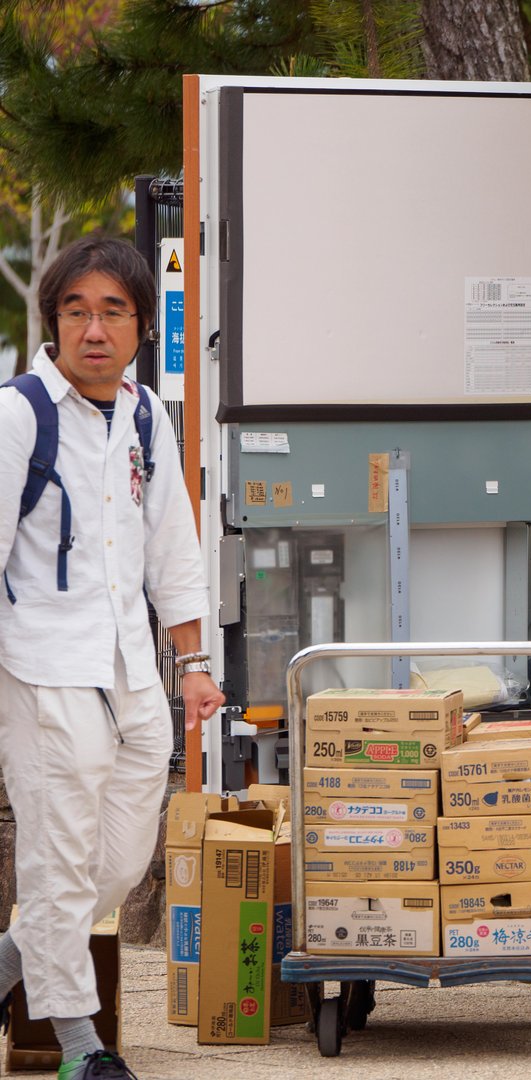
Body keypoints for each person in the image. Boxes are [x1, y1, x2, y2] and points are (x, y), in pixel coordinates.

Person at [0, 237, 225, 1080]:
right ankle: (79, 1051)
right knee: (56, 861)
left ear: (139, 327)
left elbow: (172, 543)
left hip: (132, 671)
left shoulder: (141, 415)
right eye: (76, 311)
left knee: (123, 861)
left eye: (113, 312)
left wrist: (194, 662)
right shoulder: (19, 413)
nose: (94, 329)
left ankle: (6, 966)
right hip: (42, 666)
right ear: (52, 320)